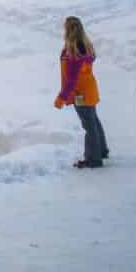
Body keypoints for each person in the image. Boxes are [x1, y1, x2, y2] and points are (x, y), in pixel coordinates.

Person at [54, 15, 108, 169]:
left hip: (80, 94)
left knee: (89, 126)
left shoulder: (72, 53)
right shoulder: (86, 46)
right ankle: (101, 151)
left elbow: (71, 80)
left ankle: (93, 159)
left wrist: (61, 98)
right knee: (94, 121)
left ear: (68, 30)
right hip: (90, 89)